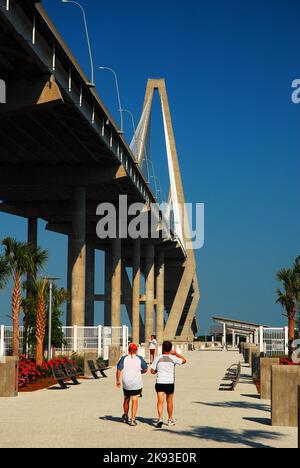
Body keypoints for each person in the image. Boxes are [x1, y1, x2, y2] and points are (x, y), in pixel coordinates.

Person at [151, 341, 187, 428]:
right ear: (170, 349)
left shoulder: (157, 358)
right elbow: (184, 361)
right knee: (169, 401)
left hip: (160, 382)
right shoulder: (173, 358)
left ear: (162, 348)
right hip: (169, 382)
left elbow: (152, 371)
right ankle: (170, 419)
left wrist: (157, 371)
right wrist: (176, 353)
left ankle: (160, 419)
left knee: (160, 401)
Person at [116, 343, 148, 427]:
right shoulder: (140, 358)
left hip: (126, 383)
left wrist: (117, 380)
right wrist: (141, 372)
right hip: (136, 383)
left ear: (129, 350)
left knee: (126, 399)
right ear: (136, 350)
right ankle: (133, 420)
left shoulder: (123, 358)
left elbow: (118, 370)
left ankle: (126, 415)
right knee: (135, 400)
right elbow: (145, 369)